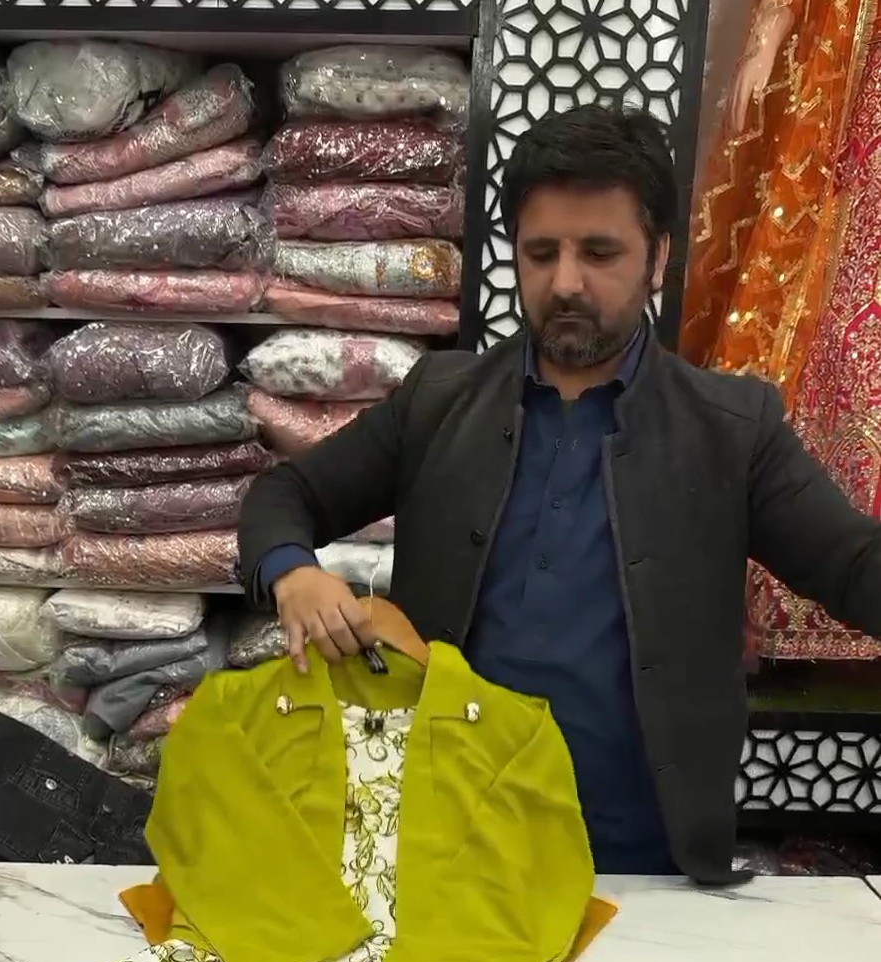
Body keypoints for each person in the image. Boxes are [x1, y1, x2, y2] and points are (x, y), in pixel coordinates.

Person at [238, 103, 881, 883]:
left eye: (598, 252)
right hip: (443, 848)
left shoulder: (731, 428)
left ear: (656, 256)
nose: (565, 282)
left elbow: (851, 565)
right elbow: (285, 496)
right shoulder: (439, 400)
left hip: (642, 865)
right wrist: (294, 575)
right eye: (540, 253)